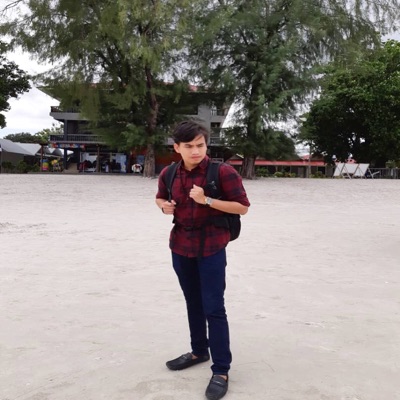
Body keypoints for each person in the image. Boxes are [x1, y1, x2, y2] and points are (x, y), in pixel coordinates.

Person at [155, 120, 250, 400]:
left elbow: (242, 207)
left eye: (200, 145)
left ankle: (221, 370)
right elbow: (159, 198)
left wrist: (207, 200)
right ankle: (198, 351)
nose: (196, 151)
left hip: (211, 247)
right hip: (180, 246)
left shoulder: (223, 172)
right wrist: (164, 206)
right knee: (192, 301)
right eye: (189, 146)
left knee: (214, 307)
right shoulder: (169, 173)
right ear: (177, 148)